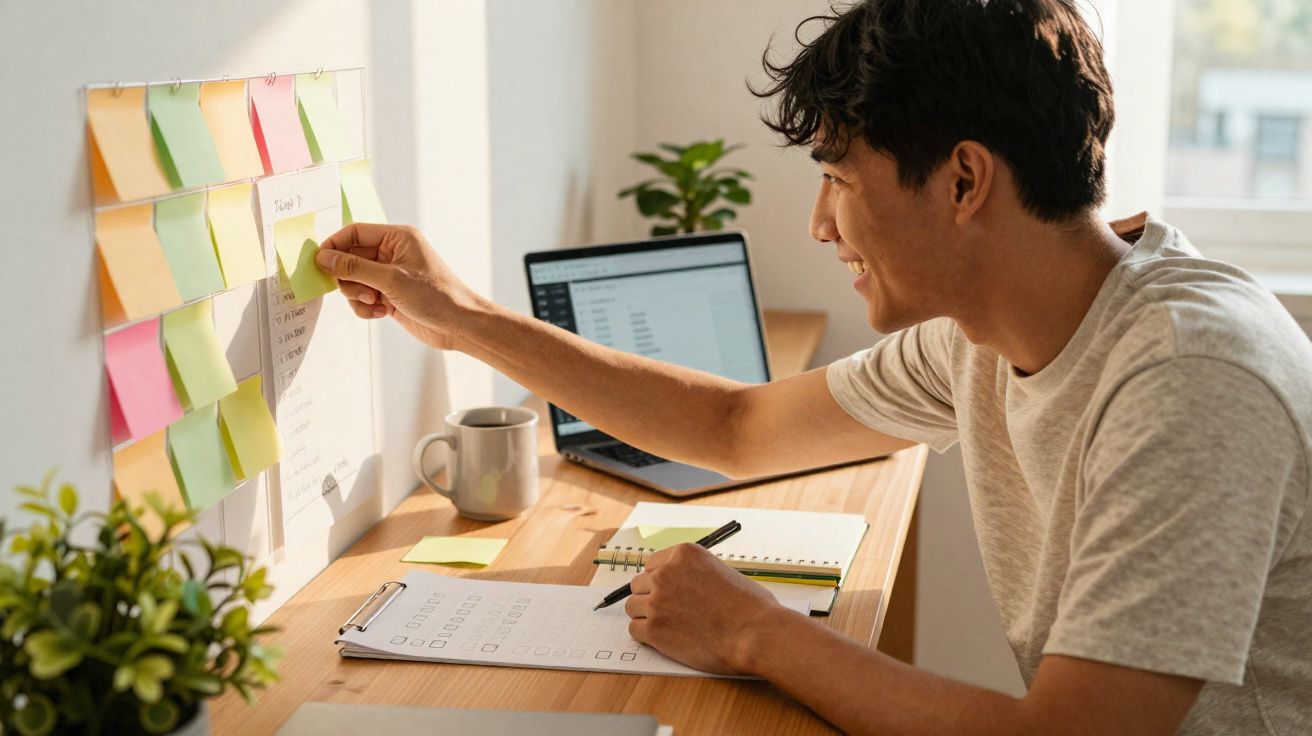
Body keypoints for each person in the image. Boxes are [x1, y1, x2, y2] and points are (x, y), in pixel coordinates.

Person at [314, 1, 1311, 733]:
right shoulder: (988, 330)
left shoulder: (1187, 377)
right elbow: (734, 429)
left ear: (964, 179)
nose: (818, 223)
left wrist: (755, 632)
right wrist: (464, 317)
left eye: (838, 178)